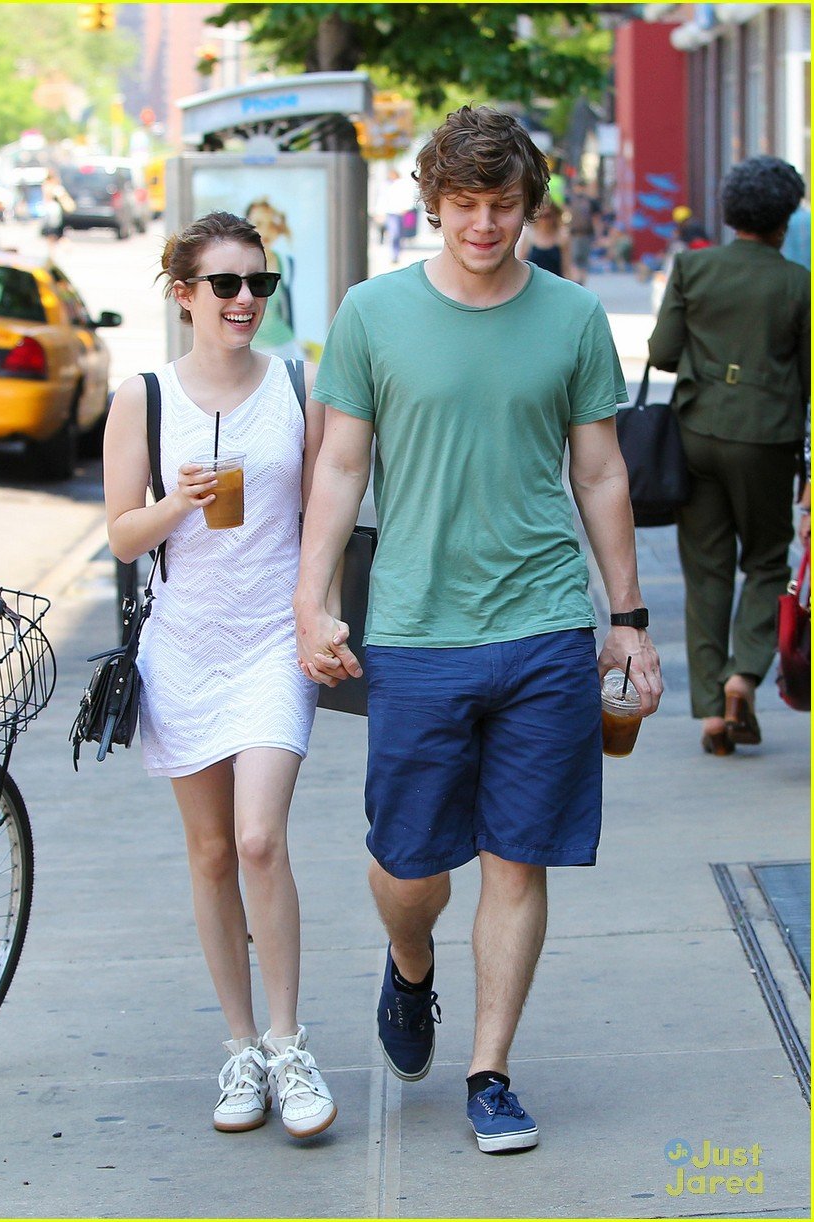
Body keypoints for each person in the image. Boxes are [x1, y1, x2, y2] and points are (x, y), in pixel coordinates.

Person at [293, 105, 662, 1155]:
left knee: (517, 856)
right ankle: (411, 966)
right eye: (465, 205)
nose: (486, 226)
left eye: (504, 206)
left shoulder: (575, 316)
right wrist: (310, 595)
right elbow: (340, 464)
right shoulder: (372, 313)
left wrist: (625, 615)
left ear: (529, 206)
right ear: (432, 202)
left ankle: (490, 1068)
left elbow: (598, 471)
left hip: (545, 625)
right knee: (410, 864)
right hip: (413, 628)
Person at [103, 211, 338, 1140]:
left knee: (256, 842)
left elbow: (327, 508)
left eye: (260, 284)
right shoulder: (145, 396)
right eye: (228, 285)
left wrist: (322, 610)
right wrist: (175, 504)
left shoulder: (295, 384)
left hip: (271, 645)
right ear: (184, 294)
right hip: (184, 645)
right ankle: (240, 1051)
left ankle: (289, 1045)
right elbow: (121, 535)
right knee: (207, 855)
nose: (246, 301)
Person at [648, 156, 810, 756]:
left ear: (727, 211)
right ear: (785, 217)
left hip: (697, 430)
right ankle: (745, 673)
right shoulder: (799, 283)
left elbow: (663, 351)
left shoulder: (693, 267)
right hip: (768, 437)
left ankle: (713, 714)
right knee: (767, 561)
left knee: (707, 568)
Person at [245, 198, 302, 359]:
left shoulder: (285, 263)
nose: (266, 231)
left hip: (282, 346)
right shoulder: (236, 263)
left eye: (271, 225)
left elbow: (287, 310)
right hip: (248, 348)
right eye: (259, 223)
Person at [515, 196, 574, 279]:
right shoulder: (529, 235)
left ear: (554, 216)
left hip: (556, 286)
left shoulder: (562, 236)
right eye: (541, 216)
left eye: (548, 216)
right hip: (534, 286)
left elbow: (566, 267)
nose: (544, 220)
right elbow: (521, 262)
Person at [567, 179, 600, 285]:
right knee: (574, 259)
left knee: (583, 261)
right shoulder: (569, 200)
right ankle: (577, 280)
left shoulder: (590, 202)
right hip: (573, 234)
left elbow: (596, 219)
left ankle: (581, 282)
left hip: (586, 234)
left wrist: (597, 235)